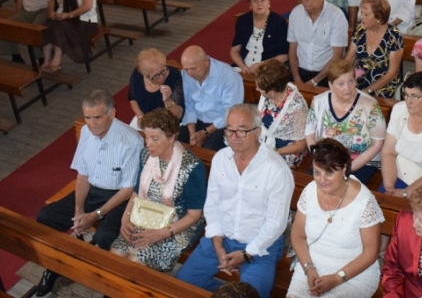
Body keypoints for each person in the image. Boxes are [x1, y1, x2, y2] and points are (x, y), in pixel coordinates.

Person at [176, 104, 294, 298]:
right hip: (221, 238)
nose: (234, 136)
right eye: (229, 130)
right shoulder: (221, 159)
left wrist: (247, 254)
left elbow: (276, 223)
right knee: (184, 283)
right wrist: (217, 242)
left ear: (257, 132)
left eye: (242, 130)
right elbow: (212, 204)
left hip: (260, 246)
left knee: (250, 295)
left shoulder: (276, 169)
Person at [35, 90, 143, 297]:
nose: (91, 124)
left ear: (111, 113)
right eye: (87, 117)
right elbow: (82, 173)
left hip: (120, 197)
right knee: (45, 217)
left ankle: (109, 283)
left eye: (97, 117)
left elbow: (128, 189)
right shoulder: (86, 132)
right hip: (93, 190)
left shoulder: (131, 140)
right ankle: (54, 266)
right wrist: (79, 210)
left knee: (106, 235)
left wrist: (94, 216)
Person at [110, 108, 207, 270]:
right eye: (147, 137)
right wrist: (125, 218)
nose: (148, 144)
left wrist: (161, 233)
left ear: (171, 137)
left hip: (177, 224)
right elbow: (136, 192)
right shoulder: (146, 155)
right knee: (116, 254)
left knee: (135, 261)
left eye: (155, 139)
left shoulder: (192, 166)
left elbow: (194, 214)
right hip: (146, 215)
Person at [287, 139, 384, 298]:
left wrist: (337, 278)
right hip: (311, 264)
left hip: (352, 275)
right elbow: (298, 235)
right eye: (317, 172)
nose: (322, 180)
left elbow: (371, 253)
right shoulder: (310, 191)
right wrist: (308, 268)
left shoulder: (364, 202)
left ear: (344, 169)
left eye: (329, 172)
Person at [305, 60, 386, 183]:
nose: (347, 88)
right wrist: (318, 158)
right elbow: (309, 134)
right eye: (341, 84)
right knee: (313, 186)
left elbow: (377, 144)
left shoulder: (370, 105)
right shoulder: (318, 102)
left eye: (350, 81)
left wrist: (347, 168)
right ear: (331, 85)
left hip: (361, 162)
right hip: (326, 161)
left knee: (342, 189)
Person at [180, 45, 244, 150]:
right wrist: (192, 133)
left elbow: (230, 113)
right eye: (186, 69)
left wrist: (205, 133)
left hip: (222, 124)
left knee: (209, 151)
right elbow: (188, 105)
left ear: (206, 62)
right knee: (175, 143)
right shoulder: (186, 74)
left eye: (193, 69)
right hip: (196, 120)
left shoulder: (229, 76)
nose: (189, 73)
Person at [288, 0, 348, 87]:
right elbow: (292, 50)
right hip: (299, 71)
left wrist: (314, 81)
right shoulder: (296, 13)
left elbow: (337, 56)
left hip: (326, 74)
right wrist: (296, 78)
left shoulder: (336, 16)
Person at [346, 0, 404, 105]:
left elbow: (393, 72)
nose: (361, 17)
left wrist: (367, 91)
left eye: (366, 14)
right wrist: (345, 80)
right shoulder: (360, 30)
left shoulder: (394, 35)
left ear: (379, 17)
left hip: (383, 86)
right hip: (358, 80)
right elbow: (349, 58)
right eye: (361, 13)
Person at [254, 58, 308, 169]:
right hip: (266, 143)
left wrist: (273, 152)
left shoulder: (297, 107)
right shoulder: (268, 94)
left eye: (260, 88)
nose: (257, 89)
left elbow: (300, 145)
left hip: (285, 152)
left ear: (272, 91)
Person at [230, 0, 289, 73]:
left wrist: (262, 65)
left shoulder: (278, 22)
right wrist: (242, 66)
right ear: (250, 5)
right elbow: (234, 51)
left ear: (269, 3)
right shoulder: (243, 20)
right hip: (243, 67)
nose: (259, 4)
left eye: (263, 0)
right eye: (255, 1)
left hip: (267, 69)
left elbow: (284, 56)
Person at [128, 48, 184, 130]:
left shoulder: (175, 77)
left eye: (163, 71)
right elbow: (132, 99)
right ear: (145, 75)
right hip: (145, 118)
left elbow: (178, 115)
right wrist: (140, 117)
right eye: (156, 76)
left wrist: (168, 100)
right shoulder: (137, 75)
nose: (161, 77)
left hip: (168, 123)